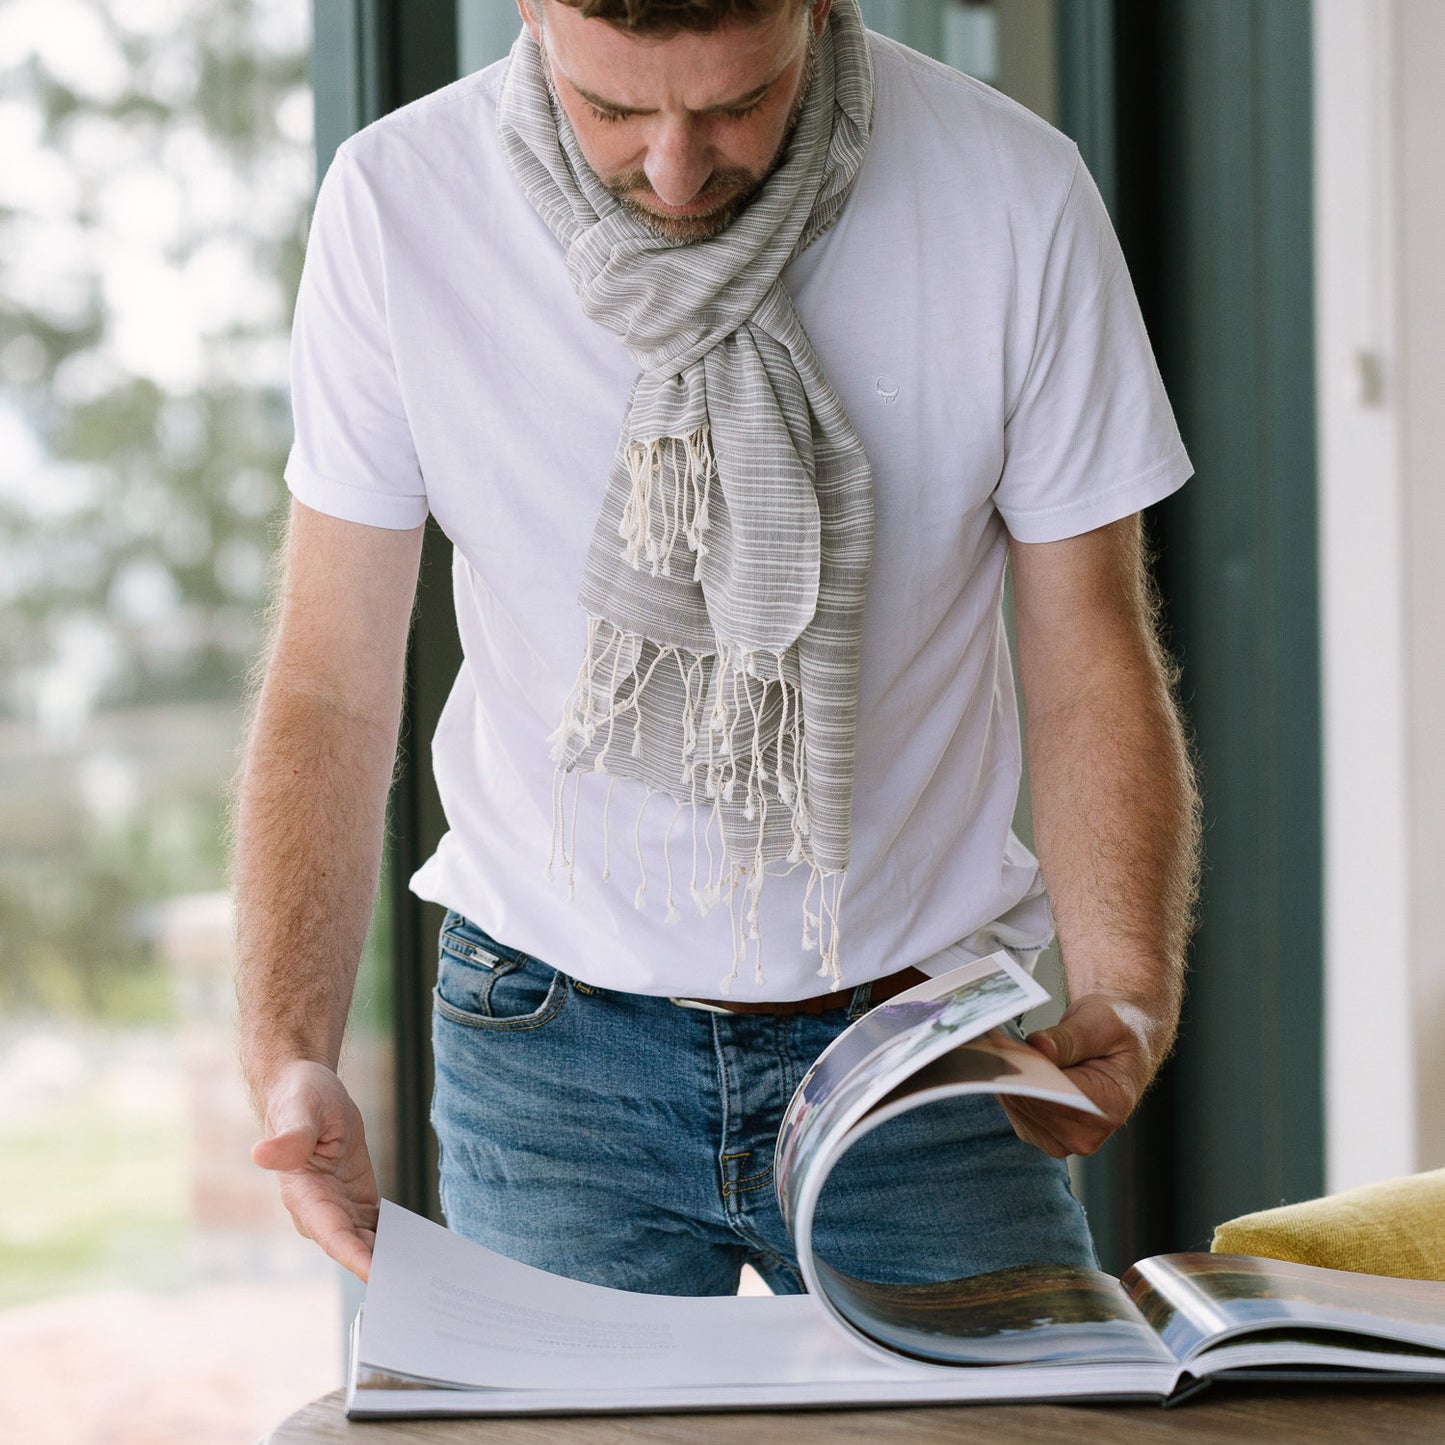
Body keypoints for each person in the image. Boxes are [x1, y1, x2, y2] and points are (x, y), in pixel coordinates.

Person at [235, 0, 1200, 1296]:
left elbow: (1087, 658)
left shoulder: (1012, 196)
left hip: (914, 1044)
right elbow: (331, 684)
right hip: (545, 1042)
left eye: (735, 105)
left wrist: (1126, 987)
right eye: (615, 109)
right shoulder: (398, 205)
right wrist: (288, 1043)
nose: (675, 167)